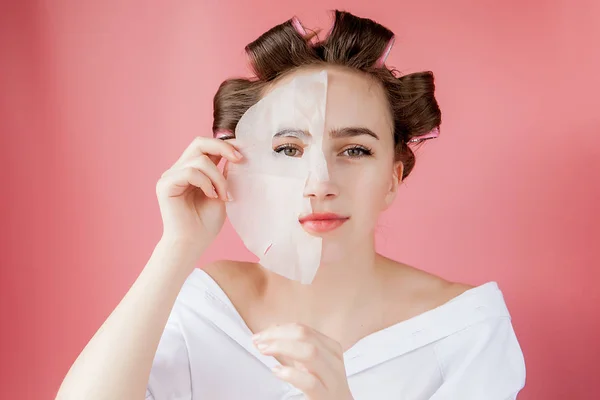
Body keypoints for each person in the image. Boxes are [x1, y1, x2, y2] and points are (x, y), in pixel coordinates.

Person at [55, 10, 526, 400]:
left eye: (355, 150)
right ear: (244, 166)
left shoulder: (466, 330)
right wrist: (177, 245)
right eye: (287, 150)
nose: (318, 183)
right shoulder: (206, 306)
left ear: (392, 179)